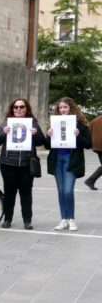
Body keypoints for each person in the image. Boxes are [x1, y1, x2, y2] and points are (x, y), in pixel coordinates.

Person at [0, 98, 45, 230]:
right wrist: (3, 133)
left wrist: (36, 133)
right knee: (9, 192)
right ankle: (7, 219)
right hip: (8, 163)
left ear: (26, 109)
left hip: (27, 164)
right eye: (16, 107)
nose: (18, 109)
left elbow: (41, 142)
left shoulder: (33, 123)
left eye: (21, 107)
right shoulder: (7, 122)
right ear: (12, 109)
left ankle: (27, 220)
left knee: (26, 192)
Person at [45, 97, 92, 231]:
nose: (63, 110)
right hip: (57, 159)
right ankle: (63, 219)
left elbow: (88, 144)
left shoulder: (80, 125)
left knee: (68, 190)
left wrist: (78, 135)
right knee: (60, 191)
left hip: (71, 160)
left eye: (65, 107)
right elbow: (47, 146)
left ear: (71, 108)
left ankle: (71, 218)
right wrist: (49, 135)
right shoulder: (54, 124)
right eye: (60, 108)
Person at [84, 113, 102, 190]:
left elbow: (88, 132)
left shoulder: (94, 120)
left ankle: (90, 180)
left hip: (97, 147)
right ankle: (90, 180)